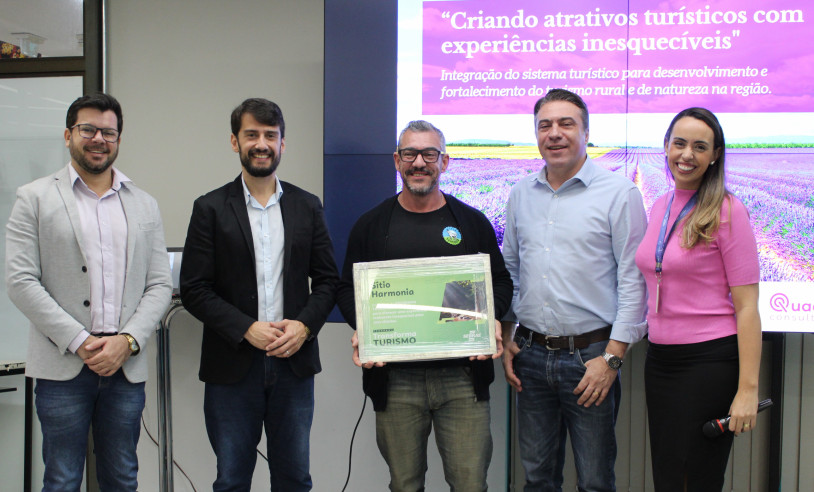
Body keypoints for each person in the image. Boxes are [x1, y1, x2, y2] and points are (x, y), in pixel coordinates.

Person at [5, 93, 173, 491]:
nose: (99, 138)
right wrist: (79, 341)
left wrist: (128, 341)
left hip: (124, 368)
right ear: (69, 135)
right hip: (62, 367)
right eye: (89, 130)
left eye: (109, 132)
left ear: (118, 139)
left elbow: (159, 284)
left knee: (122, 478)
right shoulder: (34, 198)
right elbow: (20, 280)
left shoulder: (144, 205)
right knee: (62, 478)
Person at [336, 120, 513, 491]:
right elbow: (345, 289)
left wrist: (487, 318)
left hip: (463, 379)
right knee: (404, 484)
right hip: (396, 380)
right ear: (396, 161)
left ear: (444, 162)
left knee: (470, 484)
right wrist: (365, 328)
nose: (419, 162)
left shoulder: (471, 222)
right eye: (410, 154)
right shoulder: (371, 226)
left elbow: (499, 281)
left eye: (429, 154)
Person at [180, 98, 338, 491]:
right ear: (235, 142)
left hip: (293, 365)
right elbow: (194, 288)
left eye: (270, 135)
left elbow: (328, 280)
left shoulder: (307, 206)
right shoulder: (210, 208)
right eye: (251, 134)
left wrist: (303, 327)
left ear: (283, 143)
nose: (261, 143)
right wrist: (246, 328)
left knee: (294, 479)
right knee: (232, 479)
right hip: (232, 368)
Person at [501, 88, 648, 492]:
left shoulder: (620, 194)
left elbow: (634, 281)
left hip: (591, 360)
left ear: (586, 132)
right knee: (537, 478)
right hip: (529, 357)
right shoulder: (520, 194)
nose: (555, 133)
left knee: (595, 481)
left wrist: (613, 360)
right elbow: (511, 267)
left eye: (566, 123)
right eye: (545, 125)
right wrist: (508, 333)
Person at [634, 107, 761, 491]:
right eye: (679, 143)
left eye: (699, 147)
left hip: (708, 364)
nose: (686, 155)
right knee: (669, 478)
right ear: (666, 148)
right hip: (660, 362)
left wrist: (747, 390)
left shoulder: (727, 210)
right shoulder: (660, 205)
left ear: (714, 156)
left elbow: (748, 308)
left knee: (697, 479)